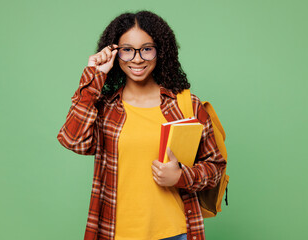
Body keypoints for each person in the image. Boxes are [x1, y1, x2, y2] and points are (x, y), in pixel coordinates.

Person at [57, 11, 226, 240]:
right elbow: (73, 140)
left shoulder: (186, 105)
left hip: (176, 233)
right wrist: (94, 75)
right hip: (116, 232)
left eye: (147, 48)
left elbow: (215, 168)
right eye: (127, 50)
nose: (137, 59)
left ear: (160, 51)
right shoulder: (106, 109)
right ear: (115, 53)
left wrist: (180, 177)